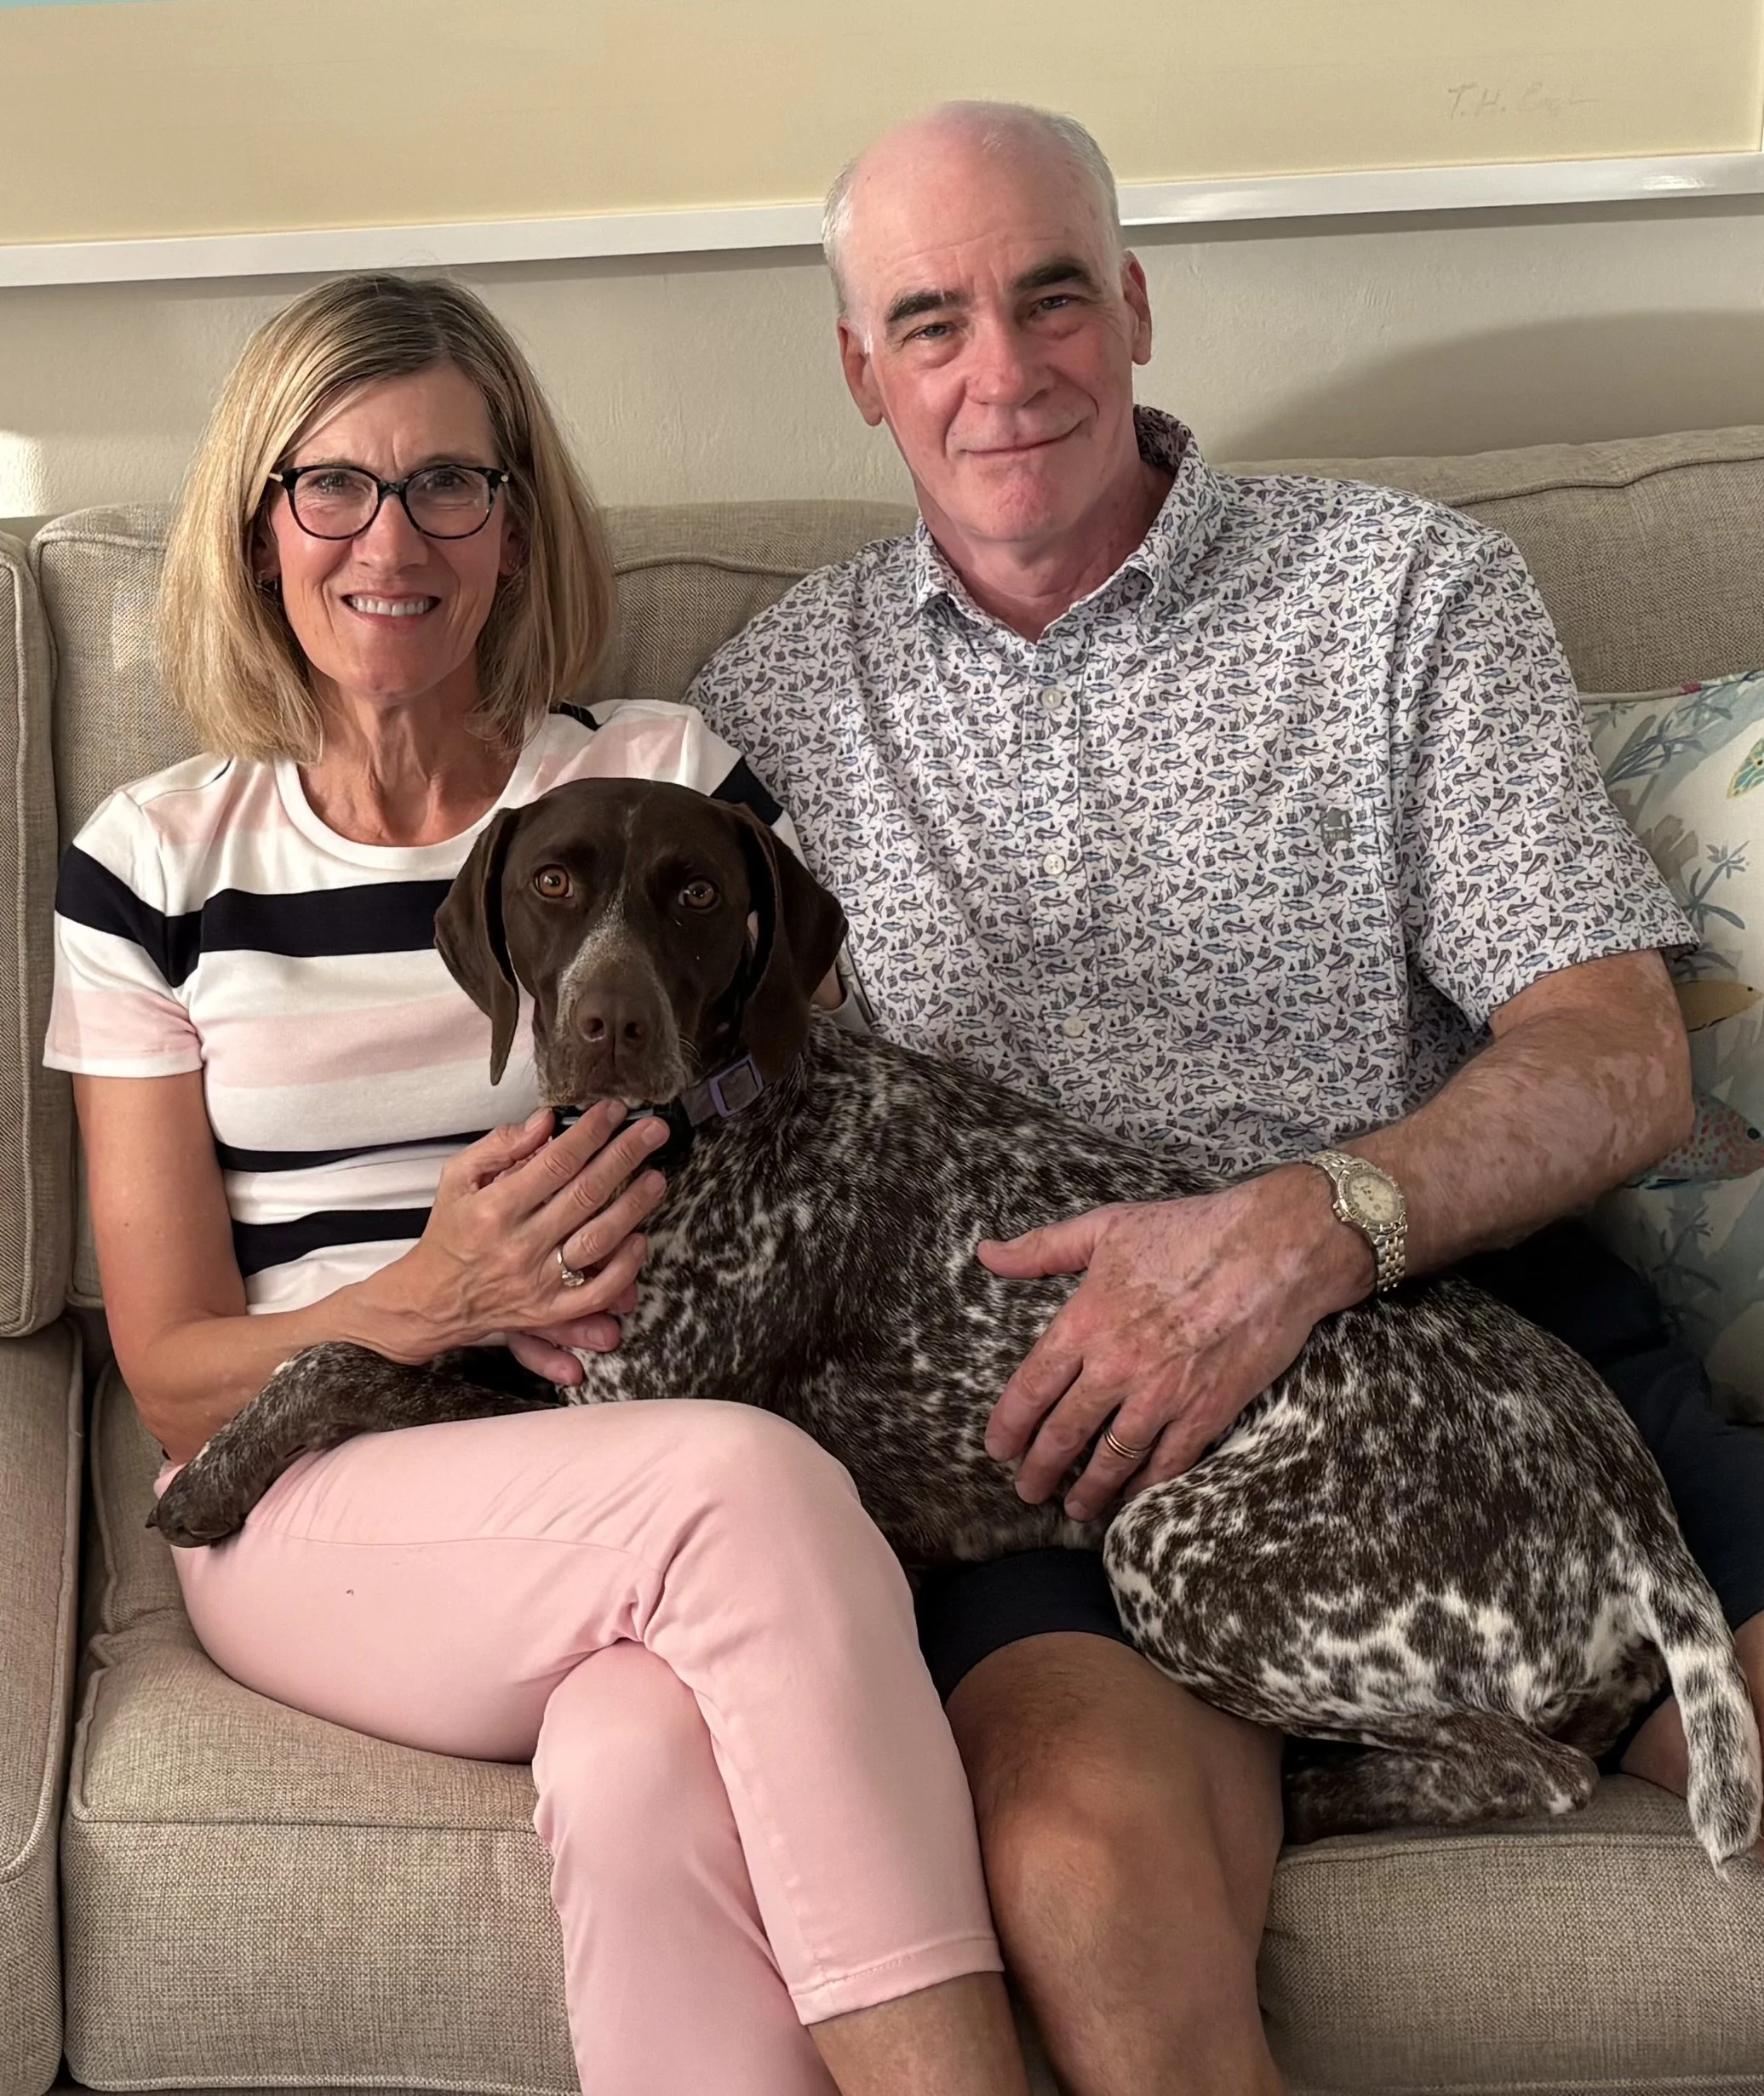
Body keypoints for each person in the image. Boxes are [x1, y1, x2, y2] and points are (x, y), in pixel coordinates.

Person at [687, 101, 1764, 2095]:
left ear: (1140, 305)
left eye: (1051, 296)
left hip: (1465, 1348)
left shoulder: (1396, 593)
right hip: (1052, 1439)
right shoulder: (773, 709)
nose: (1001, 373)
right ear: (860, 369)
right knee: (1083, 1880)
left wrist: (1310, 1226)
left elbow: (1615, 1052)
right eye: (928, 322)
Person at [44, 272, 1033, 2096]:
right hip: (316, 1490)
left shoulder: (661, 784)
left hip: (631, 1446)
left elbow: (811, 1133)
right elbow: (174, 1362)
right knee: (742, 1488)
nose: (389, 538)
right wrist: (437, 1297)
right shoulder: (155, 861)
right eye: (330, 486)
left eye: (447, 484)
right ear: (261, 526)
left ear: (515, 522)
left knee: (643, 1752)